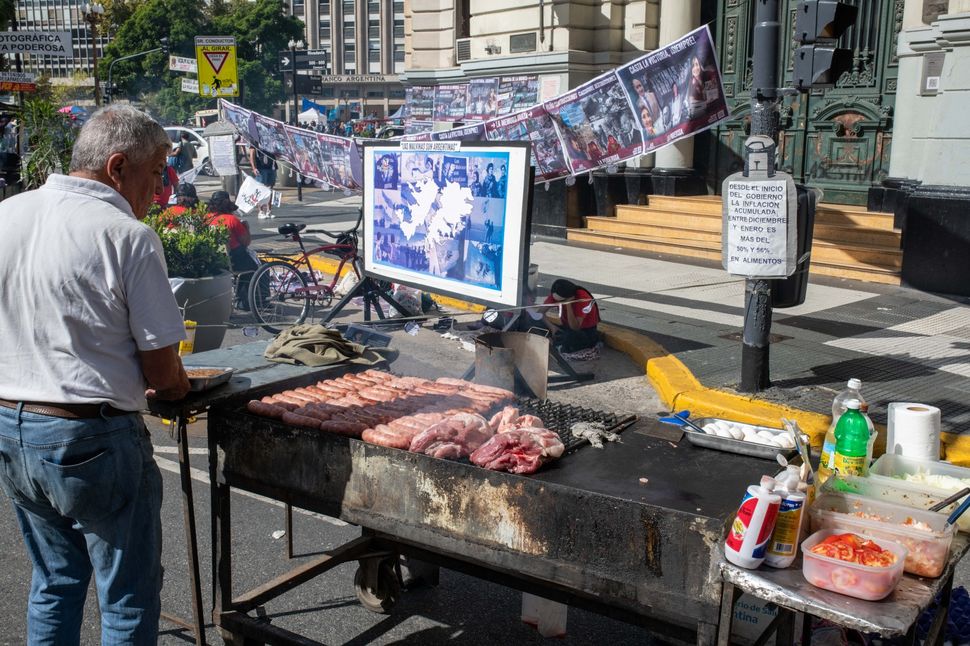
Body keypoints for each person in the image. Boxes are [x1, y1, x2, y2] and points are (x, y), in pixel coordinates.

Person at [0, 104, 190, 643]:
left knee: (55, 582)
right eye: (155, 173)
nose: (159, 191)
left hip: (12, 431)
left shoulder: (7, 214)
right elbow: (161, 369)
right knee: (127, 596)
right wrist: (179, 387)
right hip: (92, 438)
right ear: (116, 166)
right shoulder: (125, 235)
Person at [206, 190, 258, 309]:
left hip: (213, 260)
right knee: (254, 266)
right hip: (232, 261)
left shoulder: (205, 219)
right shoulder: (231, 220)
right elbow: (245, 242)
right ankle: (244, 301)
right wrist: (246, 228)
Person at [542, 279, 601, 353]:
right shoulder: (558, 293)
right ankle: (555, 343)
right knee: (536, 323)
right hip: (567, 328)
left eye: (562, 301)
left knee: (570, 337)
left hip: (584, 331)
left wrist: (568, 304)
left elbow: (575, 327)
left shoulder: (582, 298)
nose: (559, 303)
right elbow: (540, 313)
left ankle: (557, 345)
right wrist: (552, 327)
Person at [248, 144, 277, 219]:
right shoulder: (255, 141)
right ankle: (260, 211)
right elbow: (252, 154)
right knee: (260, 189)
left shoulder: (270, 139)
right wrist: (254, 168)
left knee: (270, 189)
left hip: (271, 166)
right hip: (261, 168)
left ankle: (269, 211)